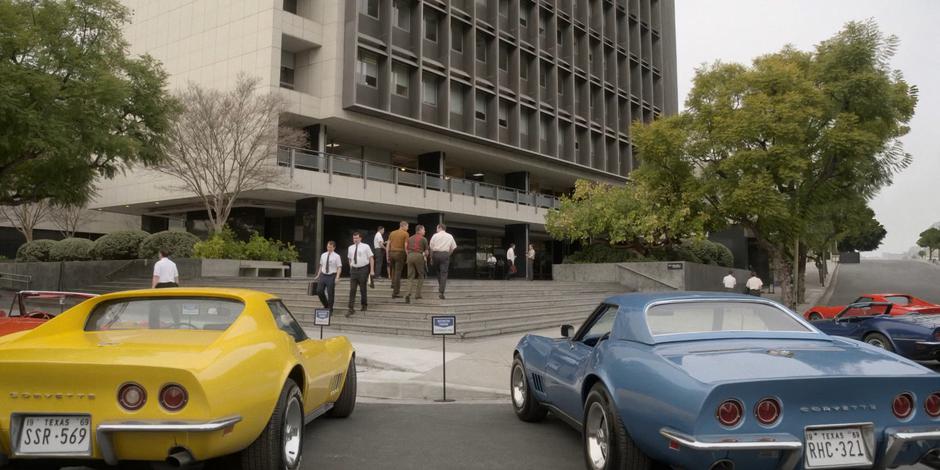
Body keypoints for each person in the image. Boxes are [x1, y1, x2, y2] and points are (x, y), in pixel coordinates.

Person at [346, 232, 374, 316]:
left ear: (360, 238)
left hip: (363, 269)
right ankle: (351, 308)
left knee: (363, 288)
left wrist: (372, 270)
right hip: (354, 270)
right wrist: (351, 267)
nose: (355, 240)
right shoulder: (350, 248)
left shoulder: (366, 246)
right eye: (354, 238)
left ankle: (364, 304)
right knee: (352, 289)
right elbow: (350, 259)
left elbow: (371, 258)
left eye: (357, 238)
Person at [429, 224, 457, 299]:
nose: (436, 230)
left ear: (440, 228)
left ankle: (440, 286)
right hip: (445, 254)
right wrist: (448, 254)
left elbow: (431, 247)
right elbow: (453, 247)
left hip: (436, 254)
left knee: (438, 272)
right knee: (444, 273)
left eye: (437, 228)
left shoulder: (435, 235)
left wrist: (431, 257)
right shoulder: (450, 236)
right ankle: (441, 291)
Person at [404, 224, 429, 303]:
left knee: (410, 276)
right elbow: (427, 251)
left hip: (410, 256)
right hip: (419, 256)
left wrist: (409, 255)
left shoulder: (409, 238)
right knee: (421, 275)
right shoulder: (424, 239)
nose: (424, 231)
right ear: (420, 230)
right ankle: (418, 294)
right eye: (424, 230)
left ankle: (408, 293)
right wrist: (425, 256)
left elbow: (406, 248)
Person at [315, 241, 342, 311]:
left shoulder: (337, 256)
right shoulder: (323, 255)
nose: (329, 248)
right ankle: (326, 305)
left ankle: (330, 309)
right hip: (323, 275)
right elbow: (321, 266)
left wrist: (337, 277)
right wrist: (318, 275)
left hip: (332, 275)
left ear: (334, 248)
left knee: (330, 293)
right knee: (319, 291)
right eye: (328, 247)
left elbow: (339, 267)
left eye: (330, 247)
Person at [387, 221, 410, 298]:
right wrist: (408, 256)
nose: (408, 228)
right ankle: (396, 292)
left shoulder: (392, 233)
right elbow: (406, 246)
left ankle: (393, 284)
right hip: (400, 253)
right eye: (407, 226)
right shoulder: (405, 234)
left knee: (393, 270)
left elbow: (388, 245)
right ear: (403, 226)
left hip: (391, 253)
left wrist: (387, 255)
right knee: (398, 272)